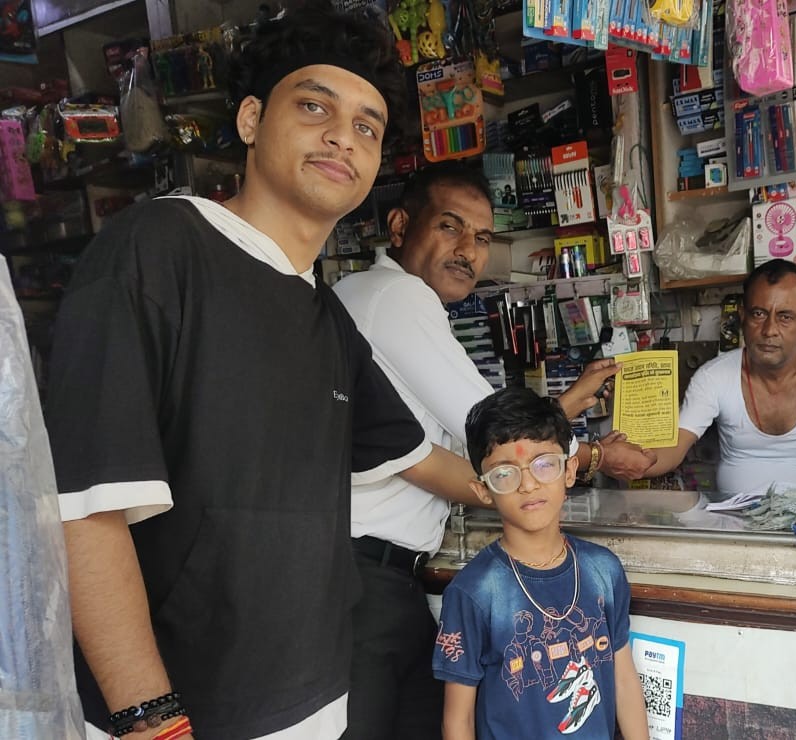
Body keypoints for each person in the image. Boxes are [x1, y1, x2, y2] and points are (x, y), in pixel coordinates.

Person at [45, 8, 478, 740]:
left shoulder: (323, 313)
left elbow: (414, 455)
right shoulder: (158, 248)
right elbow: (86, 508)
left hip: (313, 705)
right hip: (181, 715)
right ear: (251, 119)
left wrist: (532, 480)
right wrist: (151, 719)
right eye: (314, 107)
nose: (342, 137)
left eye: (367, 126)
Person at [332, 162, 657, 739]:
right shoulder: (397, 296)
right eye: (450, 227)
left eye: (482, 238)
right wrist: (592, 457)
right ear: (401, 225)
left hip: (365, 571)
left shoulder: (357, 291)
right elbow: (488, 429)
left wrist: (565, 410)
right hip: (365, 576)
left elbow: (496, 435)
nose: (468, 250)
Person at [433, 386, 649, 739]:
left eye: (544, 464)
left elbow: (623, 680)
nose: (529, 484)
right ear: (483, 490)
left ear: (569, 471)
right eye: (505, 473)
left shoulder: (603, 571)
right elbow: (458, 720)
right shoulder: (475, 592)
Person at [644, 258, 796, 494]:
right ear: (742, 317)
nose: (769, 330)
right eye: (759, 314)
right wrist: (627, 459)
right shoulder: (713, 377)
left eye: (785, 317)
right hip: (734, 515)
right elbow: (672, 450)